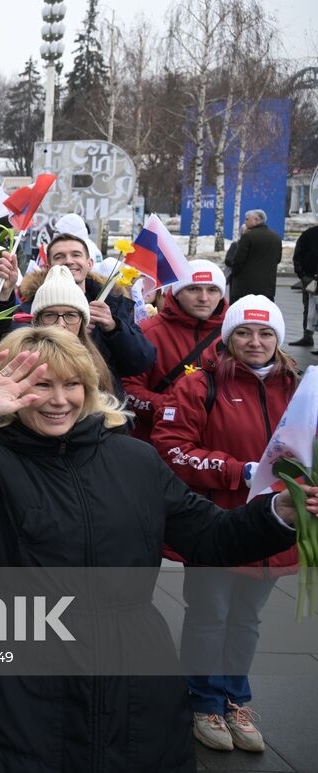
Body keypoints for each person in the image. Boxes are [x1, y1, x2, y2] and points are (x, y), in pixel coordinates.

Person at [0, 325, 311, 773]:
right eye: (41, 384)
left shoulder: (134, 460)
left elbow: (211, 536)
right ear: (13, 388)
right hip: (21, 669)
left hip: (132, 667)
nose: (59, 400)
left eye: (72, 384)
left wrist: (279, 511)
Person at [150, 295, 298, 754]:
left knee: (246, 619)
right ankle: (205, 701)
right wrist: (241, 471)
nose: (256, 342)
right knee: (211, 616)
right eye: (244, 333)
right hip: (217, 525)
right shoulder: (200, 385)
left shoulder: (298, 386)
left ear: (279, 338)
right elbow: (171, 449)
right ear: (228, 337)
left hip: (275, 525)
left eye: (266, 333)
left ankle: (237, 700)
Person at [17, 228, 155, 388]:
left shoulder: (113, 304)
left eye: (76, 255)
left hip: (104, 402)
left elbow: (141, 362)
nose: (69, 261)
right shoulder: (32, 307)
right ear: (48, 266)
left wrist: (113, 328)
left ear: (89, 263)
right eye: (59, 256)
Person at [122, 260, 226, 442]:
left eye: (212, 290)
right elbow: (128, 389)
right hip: (157, 440)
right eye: (193, 289)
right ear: (177, 293)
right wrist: (173, 407)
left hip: (216, 443)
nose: (204, 298)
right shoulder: (148, 332)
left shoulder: (233, 335)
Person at [224, 209, 282, 302]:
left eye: (247, 219)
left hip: (245, 288)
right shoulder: (276, 237)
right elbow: (278, 259)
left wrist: (234, 273)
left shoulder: (248, 236)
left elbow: (239, 261)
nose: (245, 222)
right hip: (267, 288)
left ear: (256, 220)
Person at [290, 223, 318, 348]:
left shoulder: (308, 234)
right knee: (309, 308)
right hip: (310, 279)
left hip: (309, 277)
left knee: (309, 308)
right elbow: (298, 256)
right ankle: (307, 336)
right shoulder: (308, 234)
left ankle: (307, 336)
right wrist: (303, 276)